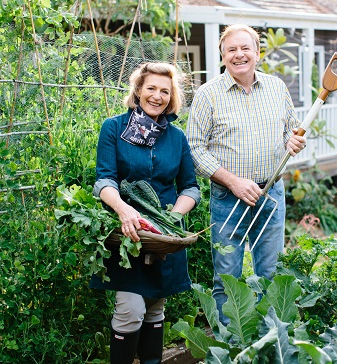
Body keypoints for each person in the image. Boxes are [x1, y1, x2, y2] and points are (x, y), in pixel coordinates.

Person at [186, 24, 306, 325]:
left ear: (257, 52)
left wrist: (295, 141)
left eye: (245, 48)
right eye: (232, 50)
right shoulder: (208, 95)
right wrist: (233, 182)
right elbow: (195, 150)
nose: (239, 54)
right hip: (228, 198)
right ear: (222, 55)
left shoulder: (277, 88)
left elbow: (291, 132)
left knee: (272, 275)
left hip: (272, 196)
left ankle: (270, 342)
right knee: (227, 279)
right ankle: (231, 345)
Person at [90, 62, 200, 364]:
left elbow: (190, 188)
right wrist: (124, 210)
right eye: (151, 88)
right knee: (131, 308)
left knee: (154, 308)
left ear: (171, 96)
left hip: (162, 237)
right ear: (138, 89)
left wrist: (172, 219)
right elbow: (104, 181)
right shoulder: (113, 128)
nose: (157, 96)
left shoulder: (176, 137)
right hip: (128, 235)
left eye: (165, 91)